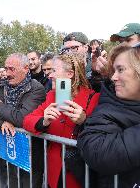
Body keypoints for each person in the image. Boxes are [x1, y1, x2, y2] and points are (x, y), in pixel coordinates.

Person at [77, 40, 140, 188]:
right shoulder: (109, 107)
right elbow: (95, 149)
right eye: (115, 70)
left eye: (121, 70)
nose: (113, 77)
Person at [23, 52, 100, 188]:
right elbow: (27, 121)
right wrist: (44, 121)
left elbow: (100, 133)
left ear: (70, 74)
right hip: (54, 171)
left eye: (54, 70)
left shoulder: (93, 97)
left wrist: (84, 120)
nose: (49, 75)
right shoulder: (52, 95)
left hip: (77, 173)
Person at [0, 53, 46, 188]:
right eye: (6, 68)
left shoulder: (36, 89)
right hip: (8, 151)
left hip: (30, 155)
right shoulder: (2, 87)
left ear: (25, 68)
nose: (7, 73)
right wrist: (2, 123)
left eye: (11, 69)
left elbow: (21, 119)